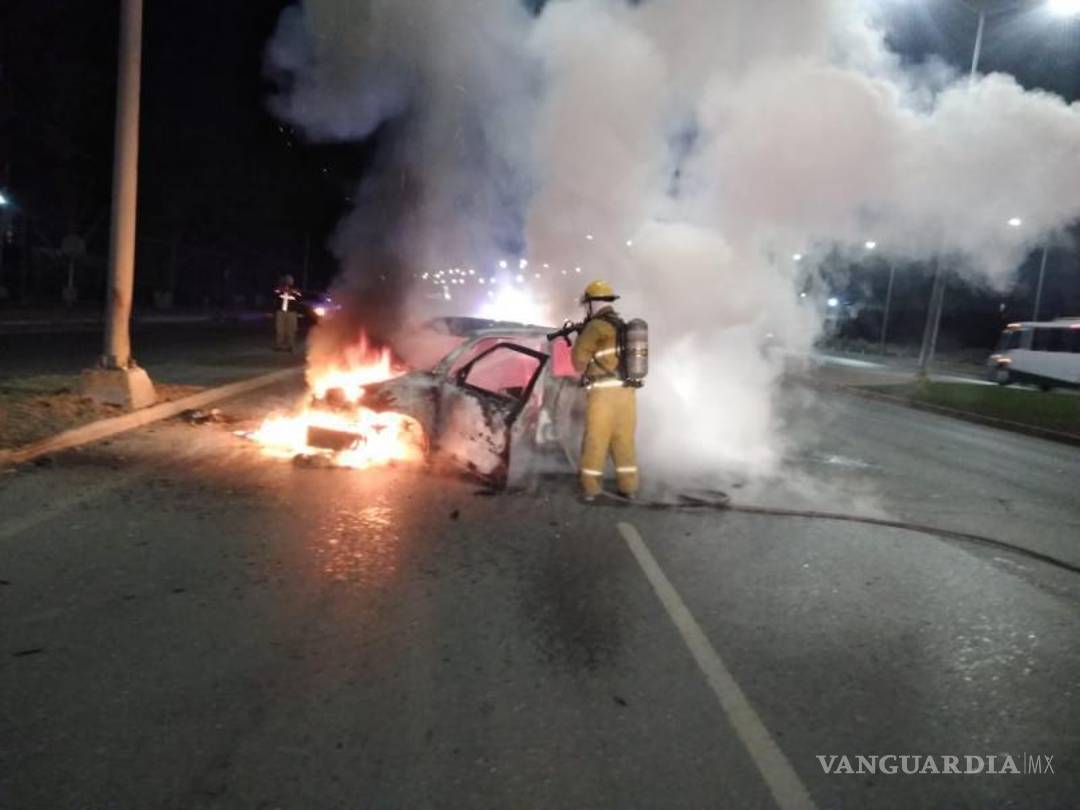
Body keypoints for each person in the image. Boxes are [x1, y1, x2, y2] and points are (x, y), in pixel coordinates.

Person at [571, 280, 638, 501]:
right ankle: (628, 487)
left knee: (596, 440)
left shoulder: (595, 327)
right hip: (627, 393)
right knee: (624, 440)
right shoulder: (622, 325)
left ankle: (591, 490)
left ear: (591, 303)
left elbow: (579, 363)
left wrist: (579, 340)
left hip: (603, 395)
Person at [273, 274, 301, 352]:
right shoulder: (280, 288)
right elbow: (275, 293)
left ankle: (291, 346)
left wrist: (292, 292)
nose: (288, 281)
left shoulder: (296, 289)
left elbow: (299, 297)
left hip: (291, 313)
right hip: (280, 312)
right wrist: (282, 290)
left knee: (291, 330)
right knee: (280, 329)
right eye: (287, 279)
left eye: (290, 280)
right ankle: (279, 345)